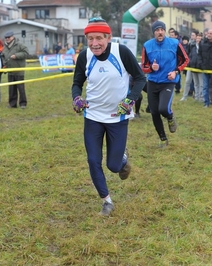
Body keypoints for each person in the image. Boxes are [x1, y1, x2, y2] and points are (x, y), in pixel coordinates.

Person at [71, 18, 146, 216]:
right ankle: (107, 201)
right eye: (90, 38)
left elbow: (140, 78)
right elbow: (77, 82)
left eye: (99, 38)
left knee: (113, 166)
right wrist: (76, 97)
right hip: (93, 116)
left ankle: (122, 159)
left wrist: (130, 100)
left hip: (117, 117)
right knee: (93, 160)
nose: (94, 43)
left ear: (108, 37)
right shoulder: (84, 56)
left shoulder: (120, 52)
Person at [141, 20, 189, 146]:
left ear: (164, 31)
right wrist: (151, 68)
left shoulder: (174, 43)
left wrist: (176, 71)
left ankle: (170, 116)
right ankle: (163, 139)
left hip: (168, 81)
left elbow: (185, 60)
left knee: (163, 108)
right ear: (154, 33)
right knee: (154, 112)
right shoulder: (147, 45)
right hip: (152, 82)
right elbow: (144, 66)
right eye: (157, 30)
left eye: (162, 29)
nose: (160, 32)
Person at [1, 31, 29, 109]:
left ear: (13, 37)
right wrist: (4, 63)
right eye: (6, 38)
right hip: (10, 71)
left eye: (9, 37)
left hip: (19, 70)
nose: (7, 39)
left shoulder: (19, 45)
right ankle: (12, 104)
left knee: (21, 88)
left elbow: (26, 53)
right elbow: (3, 56)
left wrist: (16, 56)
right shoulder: (5, 47)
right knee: (11, 89)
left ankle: (23, 104)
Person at [181, 33, 203, 102]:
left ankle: (199, 97)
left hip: (199, 67)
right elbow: (188, 54)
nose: (198, 39)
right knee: (188, 81)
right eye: (197, 38)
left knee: (200, 83)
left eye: (199, 38)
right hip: (191, 66)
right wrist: (189, 62)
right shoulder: (191, 45)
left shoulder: (203, 46)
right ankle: (184, 97)